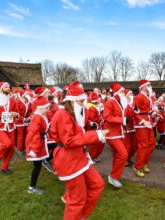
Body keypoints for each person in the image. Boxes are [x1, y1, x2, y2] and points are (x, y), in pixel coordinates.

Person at [50, 81, 108, 220]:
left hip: (78, 156)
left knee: (97, 184)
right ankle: (76, 214)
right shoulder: (62, 115)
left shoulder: (73, 112)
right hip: (68, 158)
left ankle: (81, 215)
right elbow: (69, 140)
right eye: (81, 101)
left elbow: (79, 132)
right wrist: (97, 135)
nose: (84, 104)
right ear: (72, 101)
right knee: (77, 198)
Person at [103, 83, 128, 187]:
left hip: (118, 132)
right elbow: (107, 117)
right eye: (122, 91)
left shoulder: (121, 102)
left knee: (117, 155)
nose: (124, 93)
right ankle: (113, 176)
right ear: (117, 92)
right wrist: (122, 120)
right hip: (111, 133)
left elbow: (127, 114)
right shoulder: (110, 102)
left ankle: (114, 176)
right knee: (123, 154)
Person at [26, 96, 50, 195]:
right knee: (37, 166)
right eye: (46, 108)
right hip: (36, 143)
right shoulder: (37, 117)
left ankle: (32, 186)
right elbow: (34, 133)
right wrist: (34, 149)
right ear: (39, 108)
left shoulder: (41, 116)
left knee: (38, 166)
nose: (48, 110)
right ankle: (31, 187)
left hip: (39, 141)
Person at [133, 80, 156, 177]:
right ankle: (138, 166)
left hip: (148, 122)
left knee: (152, 143)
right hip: (141, 123)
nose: (150, 86)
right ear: (143, 87)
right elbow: (134, 111)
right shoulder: (138, 97)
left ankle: (143, 163)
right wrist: (143, 121)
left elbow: (147, 110)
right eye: (148, 85)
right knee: (143, 145)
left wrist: (153, 113)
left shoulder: (147, 97)